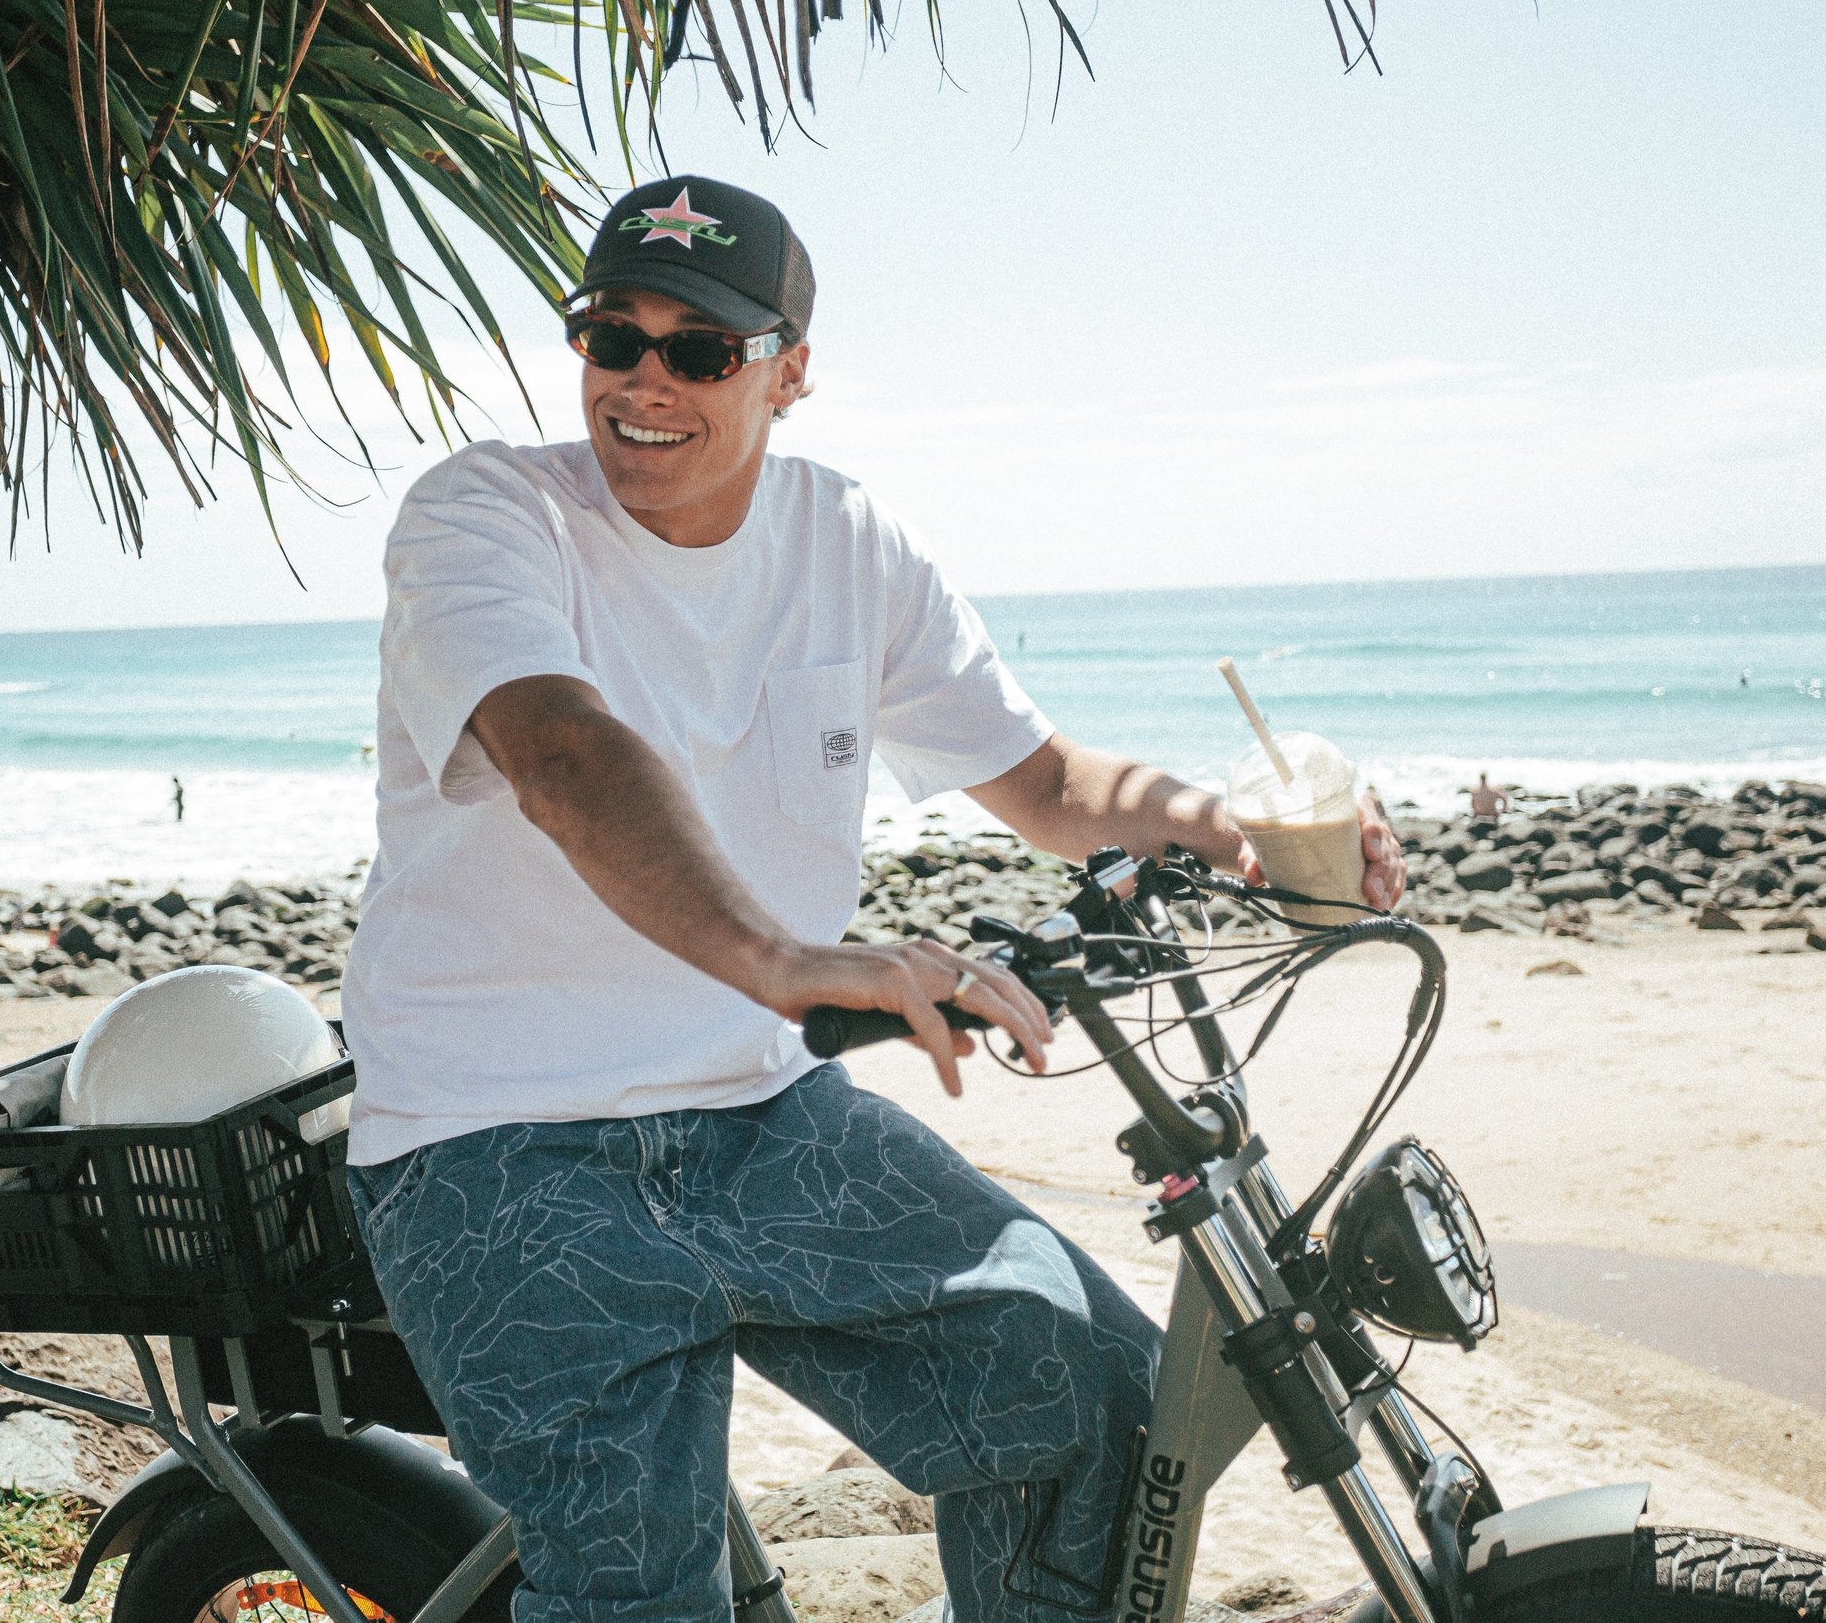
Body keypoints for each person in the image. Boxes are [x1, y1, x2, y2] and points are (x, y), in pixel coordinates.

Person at [344, 176, 1406, 1623]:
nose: (647, 381)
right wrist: (784, 956)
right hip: (494, 1137)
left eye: (702, 349)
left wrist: (1224, 824)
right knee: (638, 1593)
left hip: (756, 1111)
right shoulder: (484, 514)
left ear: (789, 371)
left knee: (1088, 1390)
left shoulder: (849, 541)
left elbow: (1039, 781)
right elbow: (560, 748)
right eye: (614, 337)